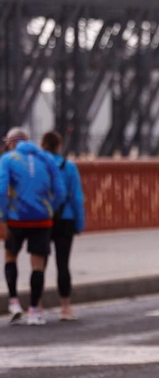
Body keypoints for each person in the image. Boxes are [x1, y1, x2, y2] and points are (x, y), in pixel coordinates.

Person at [2, 127, 65, 326]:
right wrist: (49, 209)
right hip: (41, 219)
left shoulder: (7, 159)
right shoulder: (46, 159)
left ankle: (13, 303)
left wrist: (3, 217)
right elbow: (61, 192)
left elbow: (2, 189)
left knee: (11, 256)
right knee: (38, 265)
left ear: (11, 143)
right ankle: (34, 312)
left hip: (16, 218)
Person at [39, 131, 84, 321]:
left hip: (43, 218)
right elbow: (77, 198)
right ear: (59, 145)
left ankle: (37, 305)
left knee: (39, 264)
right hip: (66, 218)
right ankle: (65, 308)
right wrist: (79, 224)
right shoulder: (69, 167)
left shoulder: (39, 166)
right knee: (63, 263)